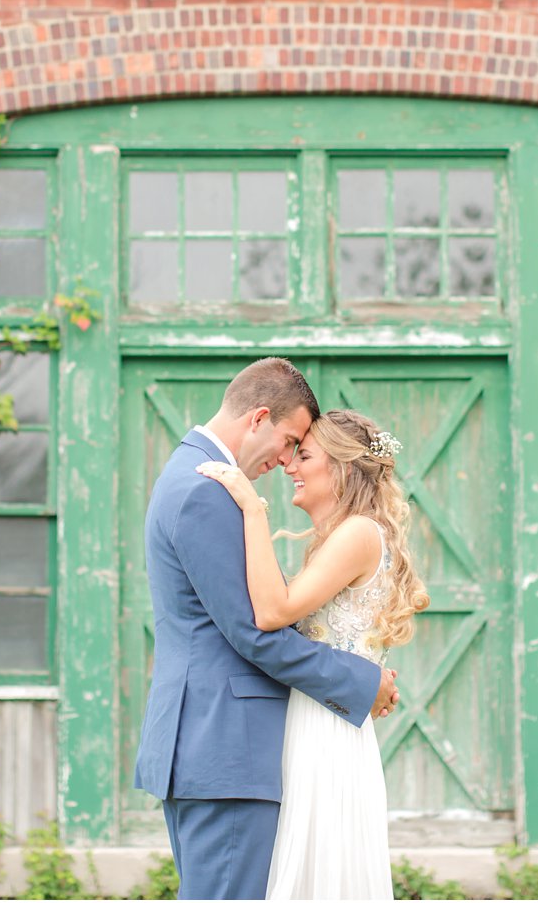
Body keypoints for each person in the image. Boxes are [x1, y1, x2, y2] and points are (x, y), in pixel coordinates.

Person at [133, 358, 400, 901]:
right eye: (289, 442)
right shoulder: (207, 489)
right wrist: (361, 682)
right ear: (258, 418)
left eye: (301, 452)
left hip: (216, 740)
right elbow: (254, 632)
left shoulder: (190, 475)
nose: (285, 462)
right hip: (225, 744)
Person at [197, 408, 430, 900]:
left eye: (303, 455)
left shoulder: (357, 533)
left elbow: (273, 612)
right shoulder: (348, 536)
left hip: (326, 730)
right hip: (322, 719)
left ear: (343, 469)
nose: (290, 467)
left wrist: (252, 509)